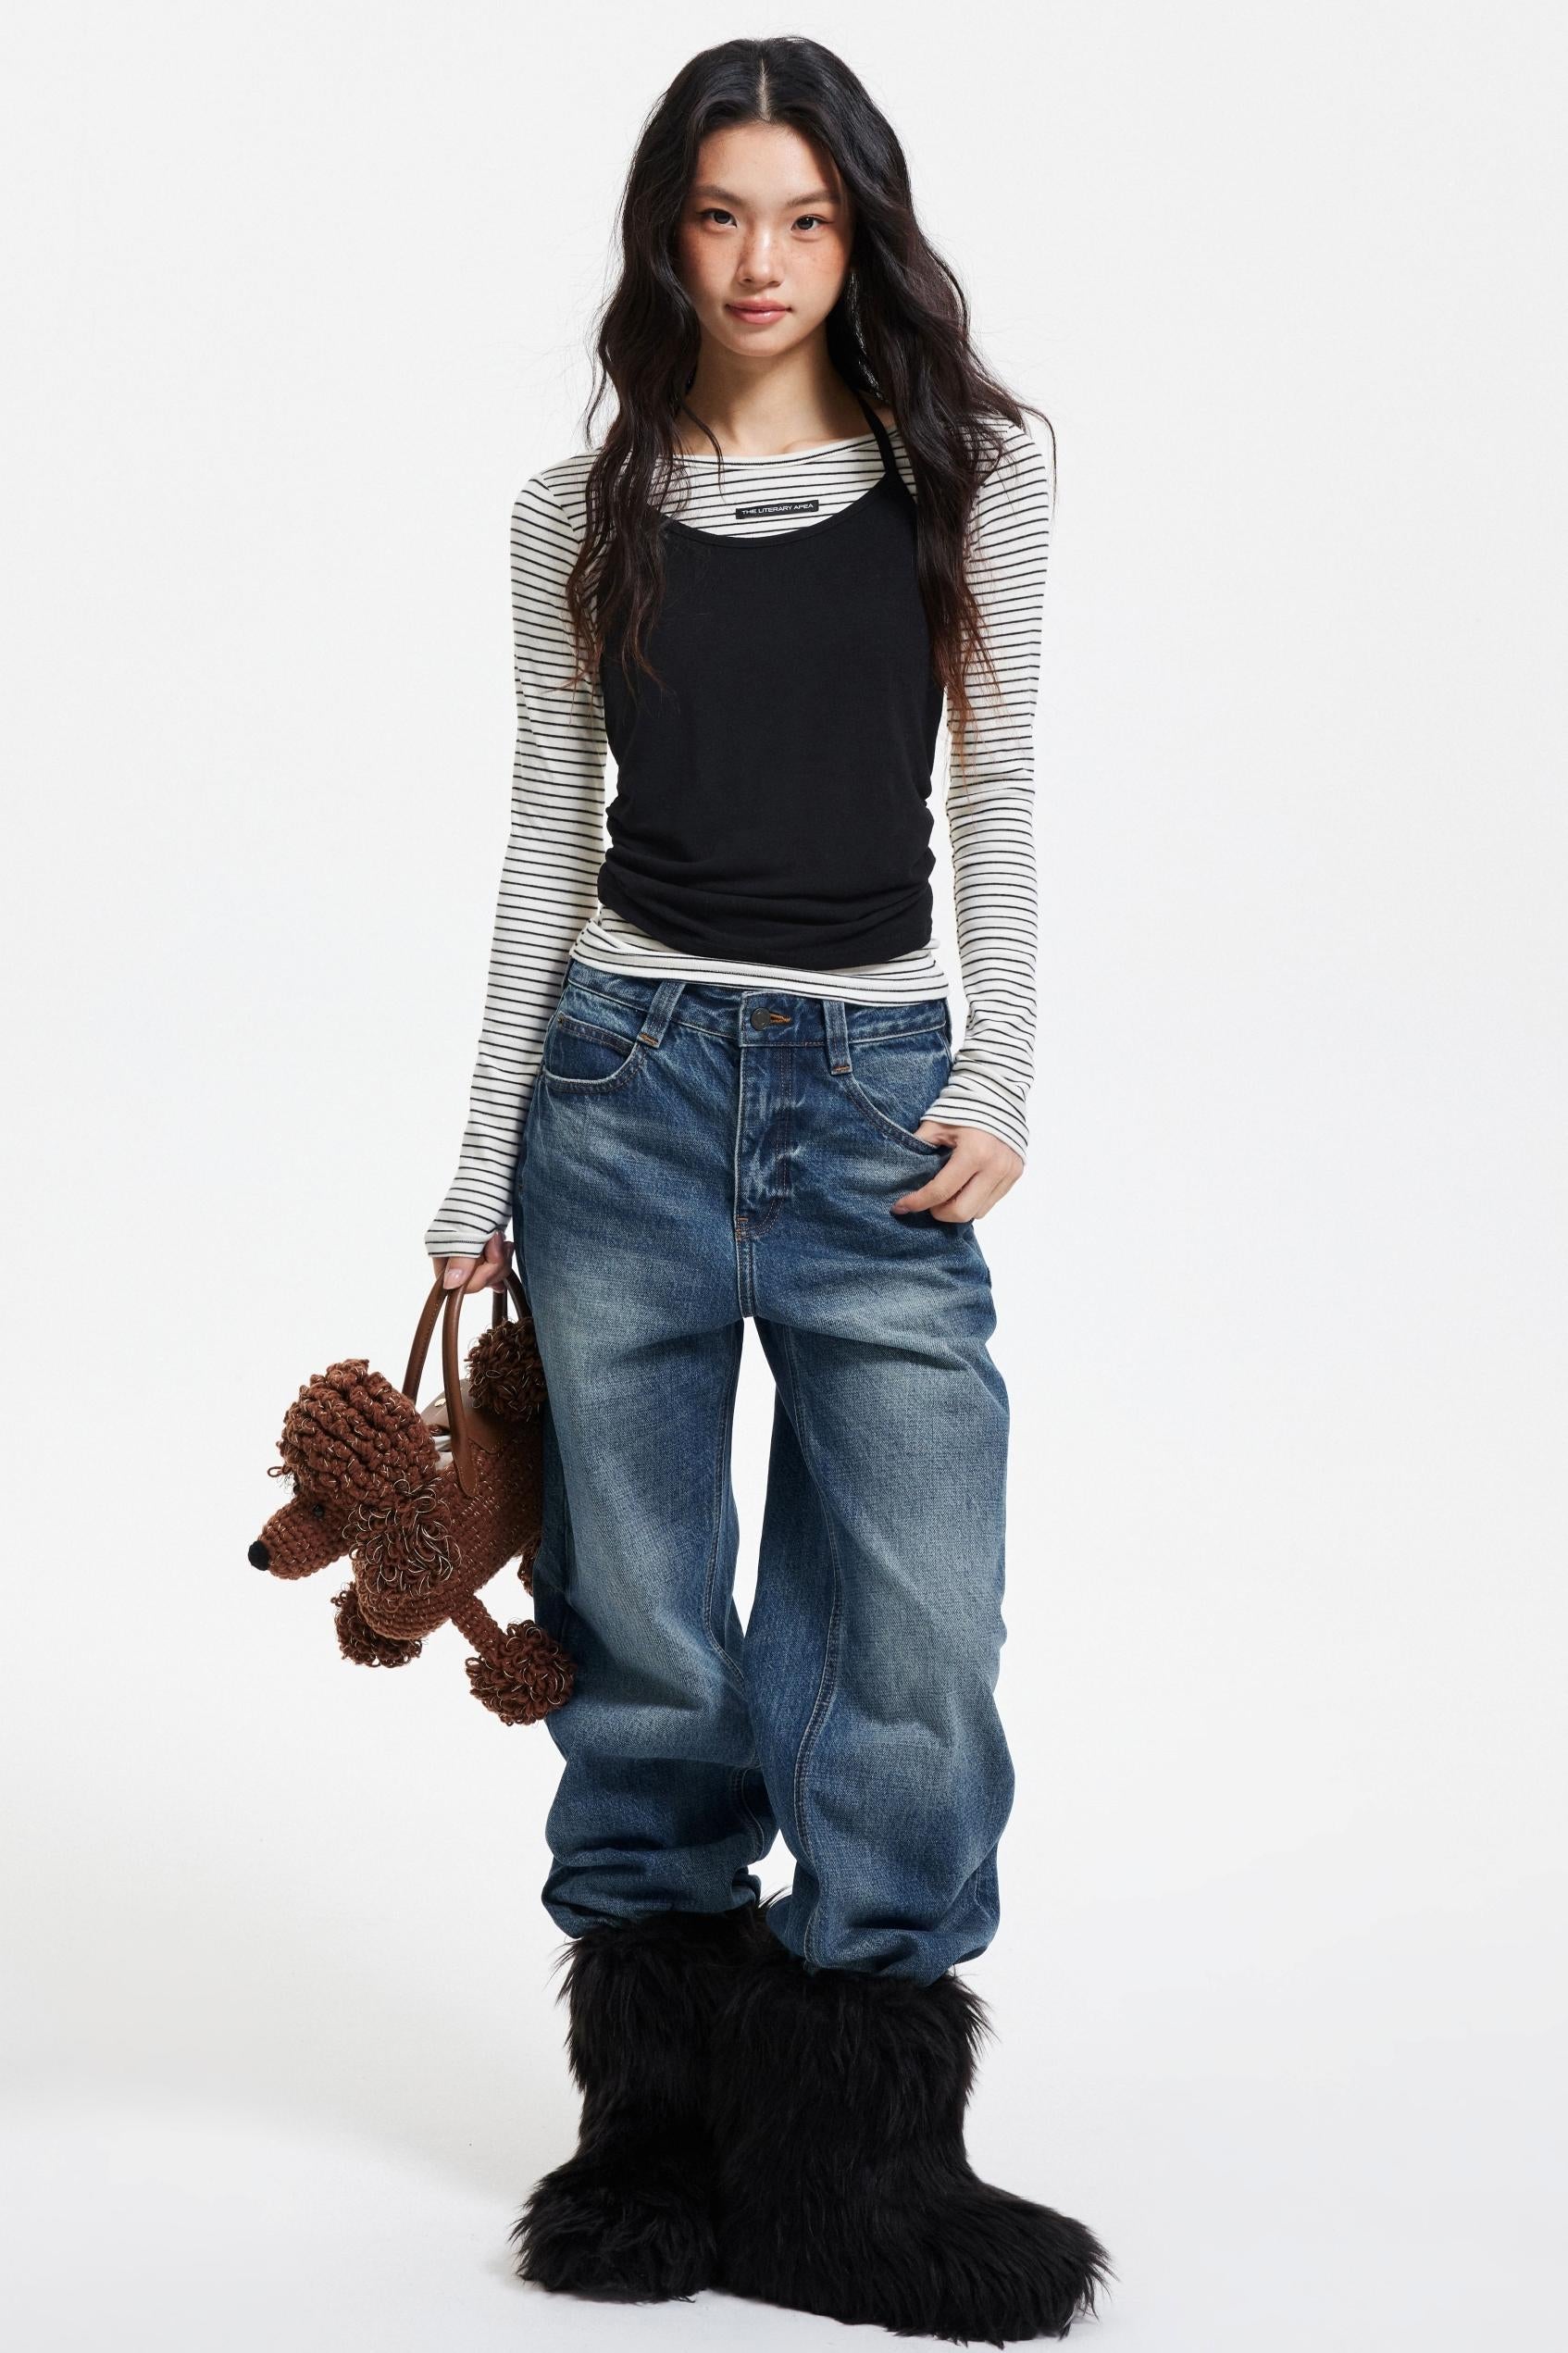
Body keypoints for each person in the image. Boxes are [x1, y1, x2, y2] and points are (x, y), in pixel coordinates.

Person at [425, 35, 1110, 2347]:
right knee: (640, 1624)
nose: (760, 259)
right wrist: (473, 1166)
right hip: (615, 1090)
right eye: (719, 214)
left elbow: (996, 788)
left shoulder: (976, 475)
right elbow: (548, 827)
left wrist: (998, 1069)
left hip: (868, 1107)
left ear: (861, 234)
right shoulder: (576, 505)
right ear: (664, 232)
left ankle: (863, 2162)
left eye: (805, 218)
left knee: (913, 1628)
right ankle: (654, 2134)